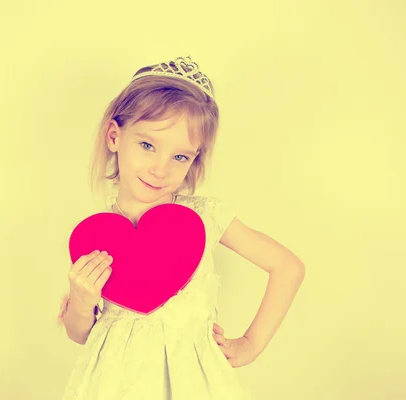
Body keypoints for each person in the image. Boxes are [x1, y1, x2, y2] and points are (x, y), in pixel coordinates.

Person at [56, 56, 306, 399]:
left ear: (194, 158)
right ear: (115, 136)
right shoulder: (98, 236)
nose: (160, 169)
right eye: (147, 145)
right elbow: (80, 334)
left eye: (180, 157)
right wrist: (82, 303)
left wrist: (251, 343)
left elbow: (287, 267)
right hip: (114, 386)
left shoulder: (204, 218)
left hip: (193, 384)